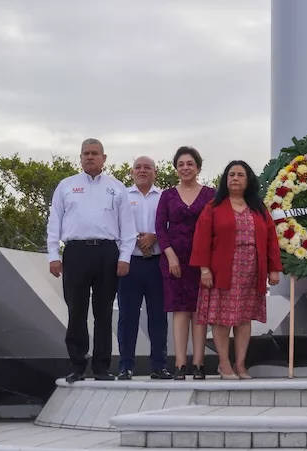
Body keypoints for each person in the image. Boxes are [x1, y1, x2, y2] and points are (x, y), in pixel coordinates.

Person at [46, 138, 136, 382]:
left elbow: (128, 227)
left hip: (107, 252)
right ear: (80, 157)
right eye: (86, 153)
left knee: (104, 312)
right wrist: (54, 255)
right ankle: (77, 365)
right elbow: (54, 223)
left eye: (95, 153)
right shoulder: (66, 186)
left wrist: (124, 257)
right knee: (76, 310)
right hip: (75, 252)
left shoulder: (117, 188)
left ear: (104, 158)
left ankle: (102, 367)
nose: (90, 157)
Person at [190, 160, 282, 379]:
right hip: (222, 271)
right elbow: (201, 240)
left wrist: (273, 269)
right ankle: (224, 364)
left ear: (248, 180)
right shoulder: (213, 207)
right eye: (231, 175)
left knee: (243, 319)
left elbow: (271, 239)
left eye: (240, 175)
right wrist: (204, 270)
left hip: (251, 271)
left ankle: (240, 364)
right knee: (221, 320)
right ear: (225, 179)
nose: (235, 179)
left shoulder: (258, 208)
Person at [155, 146, 215, 380]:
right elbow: (160, 227)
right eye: (181, 164)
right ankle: (180, 363)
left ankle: (199, 363)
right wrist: (170, 256)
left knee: (200, 312)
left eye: (190, 163)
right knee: (179, 311)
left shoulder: (211, 195)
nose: (185, 168)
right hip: (174, 261)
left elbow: (215, 228)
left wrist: (207, 263)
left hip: (202, 262)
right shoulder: (167, 195)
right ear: (176, 169)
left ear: (198, 167)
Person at [117, 156, 172, 380]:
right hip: (130, 262)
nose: (142, 171)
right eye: (138, 167)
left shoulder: (164, 197)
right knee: (127, 316)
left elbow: (171, 226)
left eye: (147, 167)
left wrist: (155, 237)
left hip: (157, 263)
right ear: (131, 172)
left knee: (158, 317)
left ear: (155, 173)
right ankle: (125, 366)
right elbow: (115, 225)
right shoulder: (122, 196)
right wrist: (135, 238)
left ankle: (159, 366)